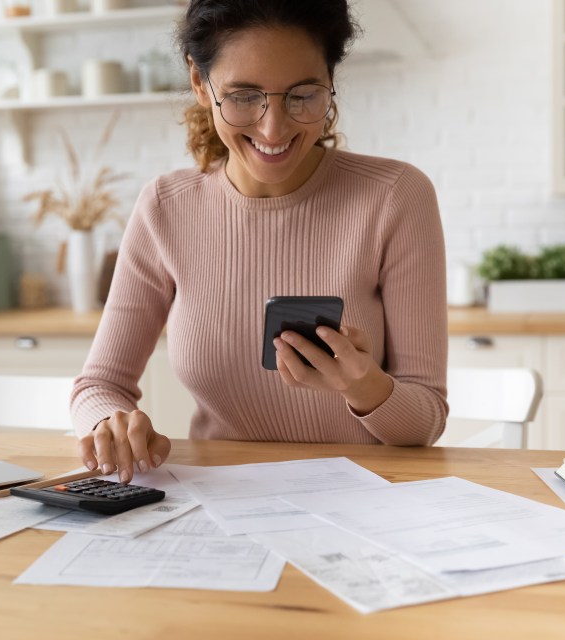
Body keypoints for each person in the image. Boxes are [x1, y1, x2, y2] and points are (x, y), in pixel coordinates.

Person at [71, 0, 448, 484]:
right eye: (244, 95)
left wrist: (365, 385)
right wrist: (110, 423)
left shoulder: (394, 196)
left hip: (366, 499)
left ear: (330, 81)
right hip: (221, 501)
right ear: (199, 83)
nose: (274, 128)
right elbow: (98, 386)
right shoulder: (166, 208)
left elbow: (426, 421)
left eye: (302, 95)